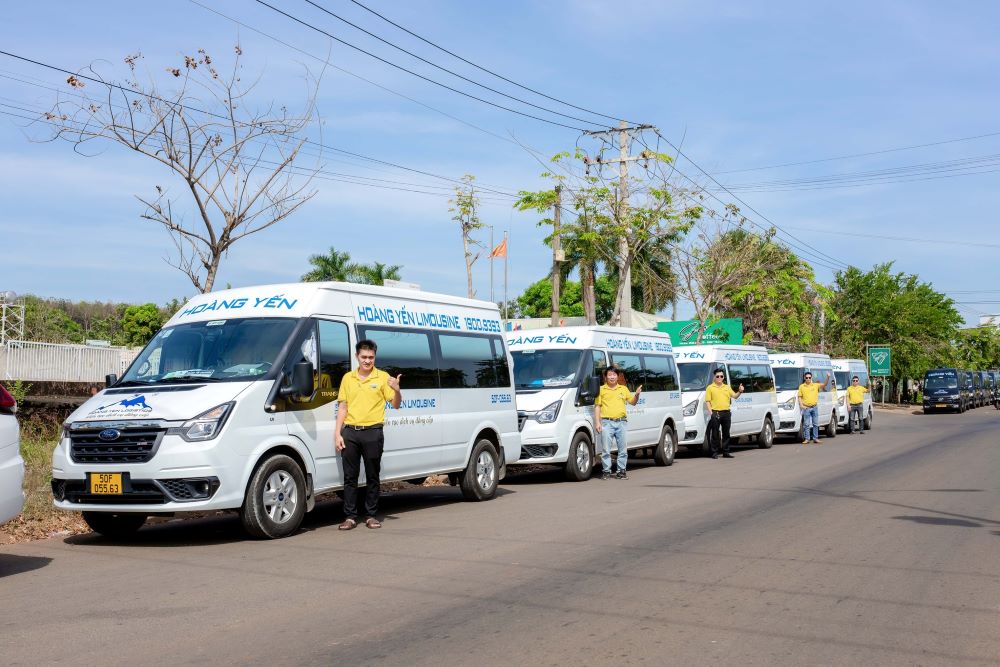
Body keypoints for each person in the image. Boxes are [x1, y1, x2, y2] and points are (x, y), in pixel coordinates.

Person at [335, 339, 402, 530]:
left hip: (373, 432)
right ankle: (350, 516)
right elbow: (342, 407)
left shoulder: (382, 377)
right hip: (350, 433)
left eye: (371, 357)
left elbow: (395, 404)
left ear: (375, 357)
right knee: (350, 477)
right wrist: (337, 433)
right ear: (357, 357)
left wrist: (397, 390)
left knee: (373, 475)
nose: (367, 361)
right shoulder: (348, 378)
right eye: (363, 357)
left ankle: (371, 515)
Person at [594, 366, 642, 480]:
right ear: (605, 377)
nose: (612, 377)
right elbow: (597, 407)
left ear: (617, 376)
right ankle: (606, 471)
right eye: (609, 375)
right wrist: (597, 422)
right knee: (606, 449)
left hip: (621, 422)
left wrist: (637, 394)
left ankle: (621, 471)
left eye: (614, 375)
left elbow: (632, 402)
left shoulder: (623, 389)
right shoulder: (601, 389)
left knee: (623, 449)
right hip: (607, 422)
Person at [704, 368, 744, 459]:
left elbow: (735, 396)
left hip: (726, 413)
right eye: (717, 376)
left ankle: (726, 452)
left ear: (723, 377)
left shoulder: (726, 387)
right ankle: (714, 452)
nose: (719, 378)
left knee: (726, 433)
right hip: (716, 413)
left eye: (721, 376)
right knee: (715, 434)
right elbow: (707, 401)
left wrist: (740, 391)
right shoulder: (710, 388)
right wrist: (711, 413)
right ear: (714, 377)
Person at [797, 371, 829, 444]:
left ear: (811, 378)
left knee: (815, 424)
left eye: (809, 377)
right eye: (807, 377)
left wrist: (828, 377)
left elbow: (824, 384)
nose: (808, 379)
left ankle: (815, 438)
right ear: (804, 378)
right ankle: (807, 439)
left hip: (814, 407)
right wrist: (801, 405)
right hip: (806, 408)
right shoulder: (802, 386)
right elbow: (799, 396)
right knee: (806, 424)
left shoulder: (815, 385)